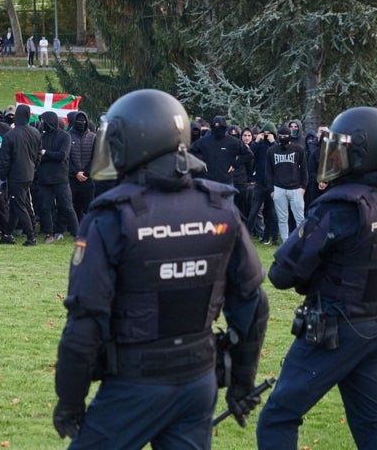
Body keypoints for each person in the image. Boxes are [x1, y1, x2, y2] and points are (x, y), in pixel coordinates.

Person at [53, 89, 268, 449]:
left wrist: (70, 400)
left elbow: (85, 321)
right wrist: (243, 382)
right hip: (198, 379)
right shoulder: (219, 207)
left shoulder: (112, 216)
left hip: (136, 382)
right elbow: (253, 305)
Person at [256, 106, 377, 449]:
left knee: (277, 417)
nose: (335, 158)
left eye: (343, 150)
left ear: (365, 153)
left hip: (337, 326)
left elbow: (281, 274)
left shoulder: (341, 207)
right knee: (373, 427)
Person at [0, 104, 40, 246]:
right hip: (29, 173)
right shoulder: (35, 133)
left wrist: (2, 176)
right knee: (17, 202)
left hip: (16, 175)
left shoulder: (10, 135)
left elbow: (5, 159)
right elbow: (38, 155)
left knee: (19, 204)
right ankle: (8, 234)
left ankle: (31, 237)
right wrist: (33, 168)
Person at [37, 111, 78, 242]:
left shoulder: (64, 136)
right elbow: (37, 157)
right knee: (45, 207)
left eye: (43, 121)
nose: (41, 124)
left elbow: (62, 155)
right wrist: (47, 155)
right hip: (44, 178)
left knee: (67, 206)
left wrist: (45, 153)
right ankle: (49, 234)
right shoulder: (41, 137)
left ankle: (77, 233)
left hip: (60, 178)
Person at [265, 124, 306, 243]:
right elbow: (268, 171)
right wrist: (271, 190)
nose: (283, 137)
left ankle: (301, 242)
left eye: (285, 135)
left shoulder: (298, 149)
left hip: (296, 188)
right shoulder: (271, 151)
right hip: (278, 188)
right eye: (281, 135)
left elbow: (304, 169)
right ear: (278, 136)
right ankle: (286, 242)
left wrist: (303, 187)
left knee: (300, 218)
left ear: (290, 136)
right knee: (282, 218)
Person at [67, 111, 95, 223]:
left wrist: (86, 173)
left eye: (83, 121)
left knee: (89, 205)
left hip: (88, 179)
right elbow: (67, 157)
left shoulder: (93, 137)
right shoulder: (68, 136)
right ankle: (74, 226)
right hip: (73, 178)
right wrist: (76, 172)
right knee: (73, 204)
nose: (81, 123)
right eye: (78, 121)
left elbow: (96, 157)